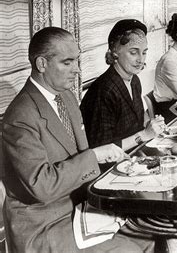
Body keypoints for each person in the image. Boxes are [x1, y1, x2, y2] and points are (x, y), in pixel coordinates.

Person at [2, 27, 152, 253]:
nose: (77, 70)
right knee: (130, 248)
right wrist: (94, 155)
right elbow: (42, 186)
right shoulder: (20, 116)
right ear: (42, 64)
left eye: (77, 60)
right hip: (44, 224)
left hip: (79, 208)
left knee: (148, 234)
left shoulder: (66, 97)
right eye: (67, 63)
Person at [80, 19, 163, 149]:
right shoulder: (104, 91)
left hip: (132, 155)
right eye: (133, 52)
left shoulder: (134, 80)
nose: (140, 59)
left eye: (144, 52)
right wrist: (144, 135)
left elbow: (139, 116)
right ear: (115, 52)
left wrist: (152, 124)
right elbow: (101, 149)